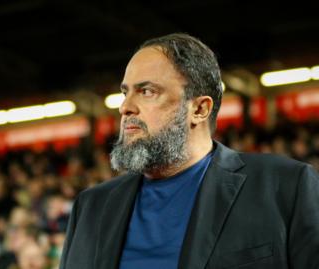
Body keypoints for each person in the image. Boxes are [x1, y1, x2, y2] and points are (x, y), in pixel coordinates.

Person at [59, 33, 319, 269]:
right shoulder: (91, 206)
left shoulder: (285, 187)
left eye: (147, 92)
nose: (125, 107)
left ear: (199, 109)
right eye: (125, 93)